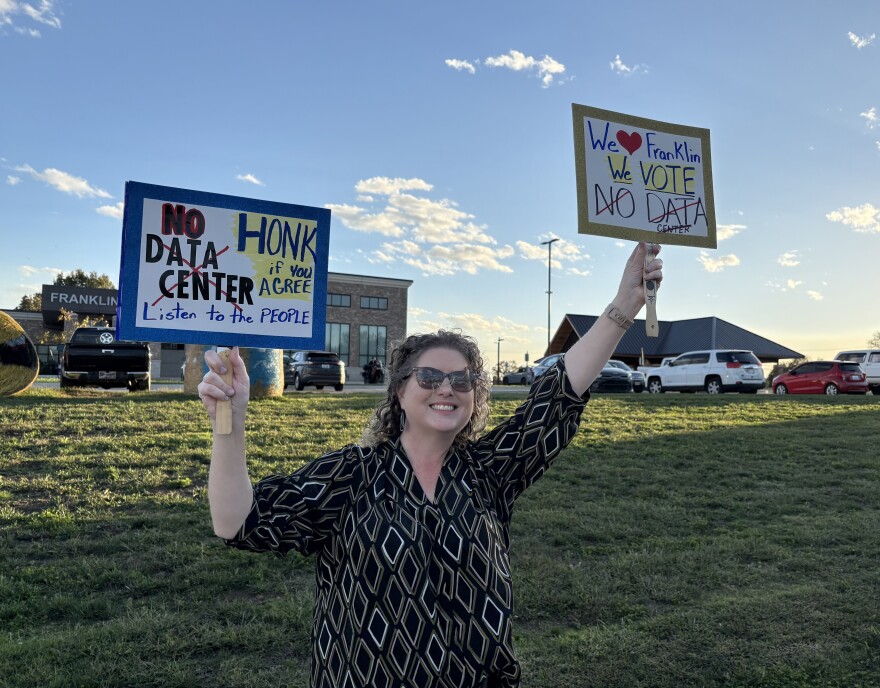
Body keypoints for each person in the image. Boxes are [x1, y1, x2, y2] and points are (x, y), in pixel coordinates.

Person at [198, 242, 662, 688]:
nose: (446, 388)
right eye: (430, 376)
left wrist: (625, 304)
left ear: (475, 395)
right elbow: (239, 522)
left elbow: (558, 394)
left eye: (462, 379)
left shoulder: (488, 472)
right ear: (400, 391)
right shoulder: (351, 475)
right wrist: (231, 422)